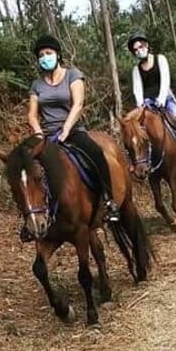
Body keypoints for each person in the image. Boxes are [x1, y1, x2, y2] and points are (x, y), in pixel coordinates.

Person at [27, 35, 120, 225]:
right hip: (47, 134)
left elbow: (78, 104)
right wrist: (38, 133)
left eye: (49, 53)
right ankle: (34, 215)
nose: (45, 57)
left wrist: (66, 129)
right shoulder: (37, 85)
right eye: (41, 55)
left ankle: (109, 200)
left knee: (95, 153)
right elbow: (32, 114)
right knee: (27, 167)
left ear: (58, 54)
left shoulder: (73, 75)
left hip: (73, 130)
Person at [127, 31, 176, 164]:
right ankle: (141, 159)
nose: (139, 51)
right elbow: (138, 90)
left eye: (140, 47)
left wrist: (161, 98)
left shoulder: (160, 59)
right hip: (147, 103)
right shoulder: (136, 70)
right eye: (135, 50)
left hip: (164, 99)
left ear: (146, 45)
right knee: (136, 129)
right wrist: (141, 105)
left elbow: (165, 80)